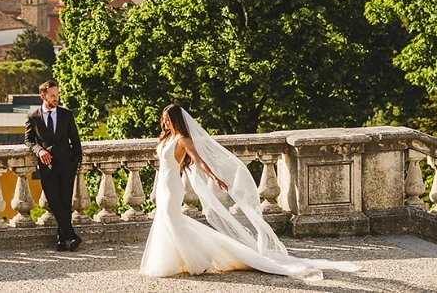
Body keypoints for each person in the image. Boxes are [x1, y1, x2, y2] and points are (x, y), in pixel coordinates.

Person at [139, 104, 361, 281]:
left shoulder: (182, 139)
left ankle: (198, 260)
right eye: (163, 118)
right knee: (167, 220)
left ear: (176, 119)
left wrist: (215, 177)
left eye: (168, 118)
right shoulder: (166, 138)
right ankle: (179, 260)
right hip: (163, 185)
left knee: (172, 220)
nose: (165, 121)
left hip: (173, 186)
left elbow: (198, 161)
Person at [24, 79, 83, 251]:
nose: (56, 98)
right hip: (47, 167)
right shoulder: (33, 117)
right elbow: (28, 141)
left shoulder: (66, 114)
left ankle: (61, 239)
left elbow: (76, 140)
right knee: (54, 201)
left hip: (67, 165)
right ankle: (72, 236)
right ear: (43, 96)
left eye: (57, 95)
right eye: (52, 96)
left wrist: (76, 161)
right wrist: (39, 151)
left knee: (65, 202)